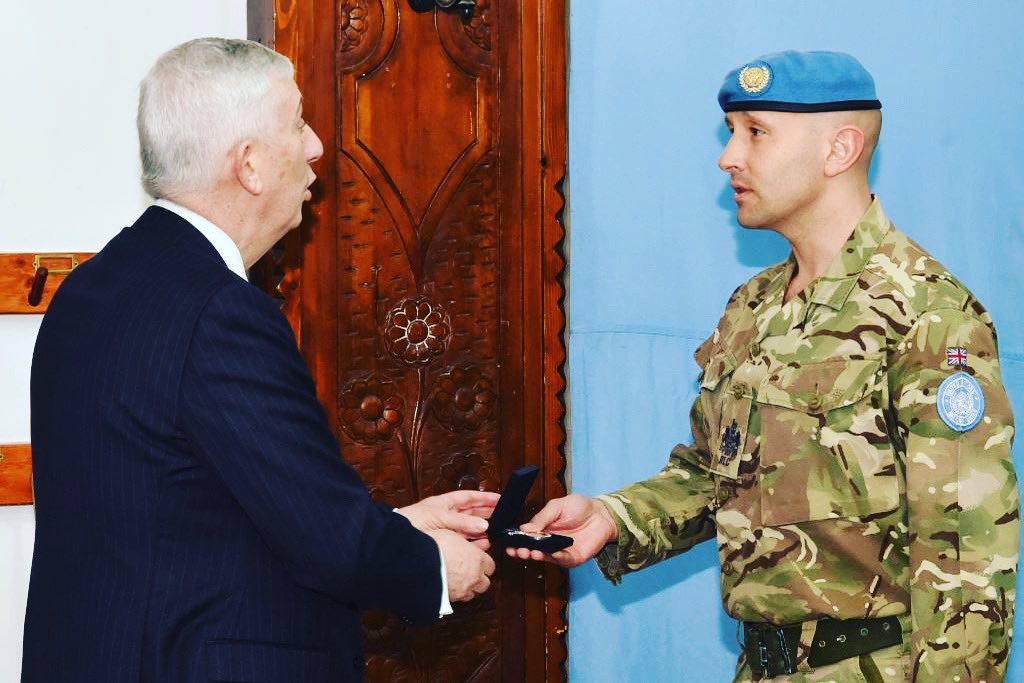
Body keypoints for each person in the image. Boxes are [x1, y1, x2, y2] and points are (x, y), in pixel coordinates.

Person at [509, 51, 1019, 683]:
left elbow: (967, 561)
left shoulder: (929, 314)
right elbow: (713, 474)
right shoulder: (754, 305)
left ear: (839, 150)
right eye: (731, 132)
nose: (728, 156)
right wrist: (612, 518)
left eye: (755, 131)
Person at [22, 37, 497, 682]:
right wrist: (435, 567)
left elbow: (192, 509)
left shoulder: (90, 290)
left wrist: (395, 525)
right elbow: (327, 543)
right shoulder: (221, 311)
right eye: (297, 123)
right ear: (247, 165)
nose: (316, 148)